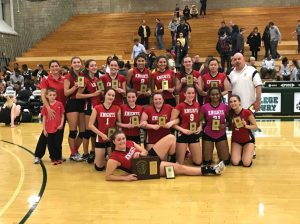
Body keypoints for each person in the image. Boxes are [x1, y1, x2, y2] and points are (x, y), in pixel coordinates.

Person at [105, 131, 225, 181]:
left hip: (146, 157)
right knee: (180, 169)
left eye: (123, 138)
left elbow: (144, 151)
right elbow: (108, 176)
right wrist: (126, 178)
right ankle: (211, 170)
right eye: (119, 140)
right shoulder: (114, 158)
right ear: (114, 141)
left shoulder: (130, 143)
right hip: (145, 168)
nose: (122, 141)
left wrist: (141, 153)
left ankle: (173, 161)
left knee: (171, 137)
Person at [34, 60, 66, 164]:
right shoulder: (46, 79)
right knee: (46, 134)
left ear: (60, 67)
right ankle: (38, 155)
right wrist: (48, 108)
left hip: (60, 110)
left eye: (56, 66)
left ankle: (57, 155)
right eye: (52, 66)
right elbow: (43, 95)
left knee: (59, 134)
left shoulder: (64, 79)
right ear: (49, 69)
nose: (54, 68)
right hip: (50, 110)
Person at [76, 59, 101, 162]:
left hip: (98, 108)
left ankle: (93, 151)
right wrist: (93, 94)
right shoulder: (84, 80)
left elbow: (101, 93)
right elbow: (78, 95)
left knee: (94, 132)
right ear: (87, 67)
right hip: (89, 107)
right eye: (92, 65)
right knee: (88, 132)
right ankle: (85, 154)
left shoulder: (97, 79)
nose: (94, 67)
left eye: (95, 65)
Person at [89, 88, 120, 171]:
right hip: (100, 138)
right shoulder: (97, 108)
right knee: (99, 167)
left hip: (111, 139)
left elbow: (118, 124)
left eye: (113, 95)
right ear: (104, 95)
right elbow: (90, 125)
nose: (111, 97)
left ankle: (107, 155)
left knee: (114, 167)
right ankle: (101, 156)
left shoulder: (117, 108)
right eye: (109, 94)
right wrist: (102, 135)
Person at [171, 86, 202, 165]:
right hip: (183, 134)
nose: (191, 95)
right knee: (179, 163)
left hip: (193, 134)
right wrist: (183, 130)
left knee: (198, 162)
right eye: (188, 93)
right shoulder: (179, 106)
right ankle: (180, 152)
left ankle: (187, 153)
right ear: (184, 94)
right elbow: (172, 124)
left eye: (193, 93)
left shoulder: (197, 105)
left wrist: (200, 127)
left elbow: (199, 119)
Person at [200, 87, 230, 165]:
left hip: (221, 134)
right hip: (208, 134)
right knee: (207, 162)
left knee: (225, 161)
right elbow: (200, 121)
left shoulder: (224, 107)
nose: (215, 96)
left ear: (220, 95)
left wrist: (224, 125)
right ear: (209, 96)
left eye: (217, 94)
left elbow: (230, 121)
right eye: (212, 95)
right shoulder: (204, 107)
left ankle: (221, 153)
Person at [64, 56, 85, 162]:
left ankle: (75, 151)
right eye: (74, 62)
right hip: (72, 104)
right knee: (73, 131)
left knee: (83, 132)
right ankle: (73, 153)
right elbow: (66, 93)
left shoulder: (83, 75)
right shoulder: (68, 76)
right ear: (71, 64)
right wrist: (75, 86)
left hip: (82, 103)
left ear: (81, 64)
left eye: (78, 62)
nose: (77, 64)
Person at [229, 95, 257, 167]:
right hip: (236, 141)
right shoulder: (230, 113)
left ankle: (250, 149)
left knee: (246, 163)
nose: (233, 103)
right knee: (235, 162)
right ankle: (241, 152)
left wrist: (246, 126)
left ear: (239, 102)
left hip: (248, 140)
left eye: (235, 101)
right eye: (231, 102)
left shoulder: (247, 112)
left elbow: (255, 126)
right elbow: (228, 125)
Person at [39, 88, 65, 165]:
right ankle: (53, 158)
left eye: (54, 95)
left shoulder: (60, 104)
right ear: (46, 96)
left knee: (58, 144)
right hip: (49, 129)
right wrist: (44, 129)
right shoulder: (46, 106)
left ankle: (58, 157)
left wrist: (61, 124)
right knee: (50, 145)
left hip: (58, 128)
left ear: (56, 96)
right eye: (50, 95)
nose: (52, 96)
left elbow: (62, 115)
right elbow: (44, 117)